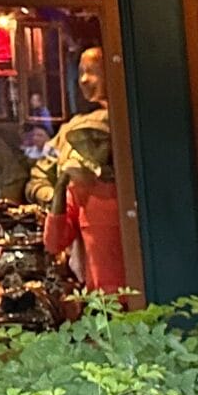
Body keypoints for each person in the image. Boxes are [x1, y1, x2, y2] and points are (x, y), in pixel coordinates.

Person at [43, 122, 128, 295]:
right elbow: (53, 243)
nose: (91, 148)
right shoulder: (80, 190)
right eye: (85, 143)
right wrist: (60, 187)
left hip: (139, 295)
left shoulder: (133, 185)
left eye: (100, 141)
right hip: (101, 300)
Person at [29, 45, 112, 206]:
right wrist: (55, 198)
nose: (84, 79)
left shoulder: (126, 123)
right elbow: (38, 179)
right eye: (81, 72)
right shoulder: (68, 129)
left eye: (92, 71)